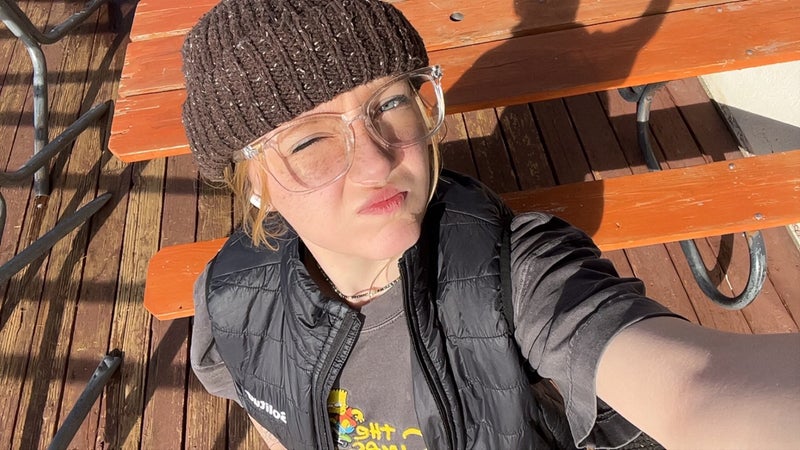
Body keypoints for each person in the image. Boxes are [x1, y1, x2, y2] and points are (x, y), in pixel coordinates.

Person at [180, 0, 800, 448]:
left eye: (389, 102)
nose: (378, 162)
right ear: (253, 185)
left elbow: (696, 388)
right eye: (309, 139)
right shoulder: (230, 298)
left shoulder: (516, 281)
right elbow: (266, 405)